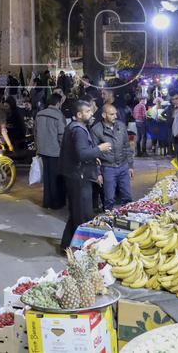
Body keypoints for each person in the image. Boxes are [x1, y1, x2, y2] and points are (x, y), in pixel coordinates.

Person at [59, 100, 112, 250]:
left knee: (76, 212)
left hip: (74, 175)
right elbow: (82, 154)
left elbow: (77, 152)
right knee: (83, 214)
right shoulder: (79, 130)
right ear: (79, 114)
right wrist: (99, 149)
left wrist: (92, 155)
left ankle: (66, 245)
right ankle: (80, 248)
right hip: (79, 177)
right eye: (87, 112)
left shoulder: (73, 127)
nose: (90, 114)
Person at [91, 103, 133, 208]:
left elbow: (127, 147)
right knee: (109, 198)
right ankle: (108, 219)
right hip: (108, 168)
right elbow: (94, 154)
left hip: (123, 166)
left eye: (115, 114)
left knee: (127, 196)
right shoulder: (96, 130)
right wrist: (98, 173)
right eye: (112, 114)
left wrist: (130, 166)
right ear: (104, 115)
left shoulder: (121, 126)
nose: (116, 116)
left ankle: (127, 217)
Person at [35, 94, 67, 209]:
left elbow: (35, 132)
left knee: (47, 178)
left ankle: (47, 202)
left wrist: (38, 147)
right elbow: (62, 135)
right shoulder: (59, 115)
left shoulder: (39, 114)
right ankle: (56, 203)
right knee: (56, 178)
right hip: (55, 151)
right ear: (58, 103)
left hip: (43, 150)